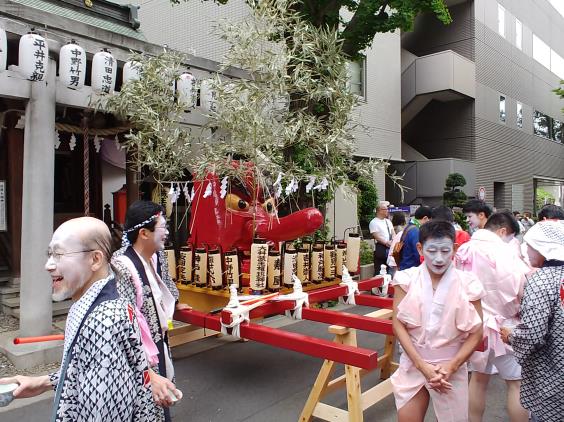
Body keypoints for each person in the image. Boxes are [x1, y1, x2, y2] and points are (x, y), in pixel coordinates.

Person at [0, 217, 153, 420]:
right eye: (49, 254)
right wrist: (44, 382)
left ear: (95, 260)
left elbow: (105, 412)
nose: (48, 265)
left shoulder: (102, 323)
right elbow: (88, 373)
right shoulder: (99, 306)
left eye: (59, 254)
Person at [391, 220, 484, 422]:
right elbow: (398, 323)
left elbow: (477, 331)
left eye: (445, 250)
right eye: (432, 251)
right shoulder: (406, 279)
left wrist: (451, 367)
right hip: (414, 362)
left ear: (455, 248)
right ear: (420, 248)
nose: (439, 258)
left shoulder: (469, 283)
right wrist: (421, 365)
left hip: (450, 368)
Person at [113, 201, 188, 422]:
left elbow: (164, 282)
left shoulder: (157, 255)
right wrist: (144, 366)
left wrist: (176, 301)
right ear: (144, 233)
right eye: (162, 227)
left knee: (161, 398)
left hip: (160, 338)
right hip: (141, 349)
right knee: (145, 404)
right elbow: (124, 323)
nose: (166, 232)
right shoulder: (121, 266)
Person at [455, 212, 531, 422]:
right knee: (516, 383)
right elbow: (521, 287)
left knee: (478, 380)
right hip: (504, 326)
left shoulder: (464, 249)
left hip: (474, 325)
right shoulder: (504, 251)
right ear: (503, 231)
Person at [501, 220, 564, 422]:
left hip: (553, 374)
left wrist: (511, 336)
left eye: (530, 246)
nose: (526, 251)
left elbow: (533, 333)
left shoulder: (542, 280)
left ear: (543, 249)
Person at [398, 206, 432, 270]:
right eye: (430, 221)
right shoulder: (416, 231)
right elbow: (418, 255)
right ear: (425, 218)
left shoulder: (409, 227)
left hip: (405, 267)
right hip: (410, 270)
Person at [369, 201, 395, 273]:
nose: (388, 211)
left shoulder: (388, 221)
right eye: (386, 209)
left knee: (390, 270)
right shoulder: (373, 222)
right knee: (380, 271)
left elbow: (393, 233)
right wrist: (386, 243)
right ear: (380, 211)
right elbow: (376, 236)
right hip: (381, 248)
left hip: (390, 247)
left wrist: (393, 241)